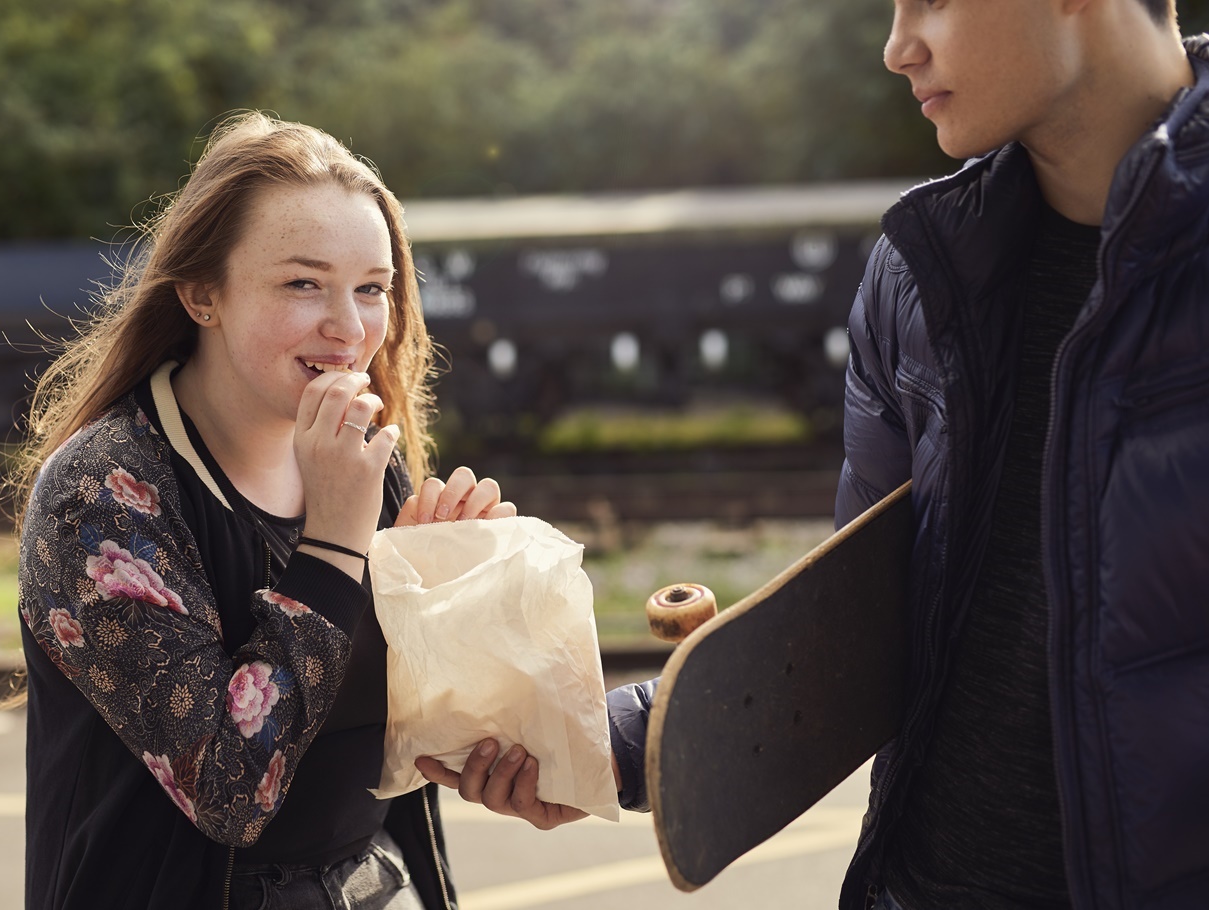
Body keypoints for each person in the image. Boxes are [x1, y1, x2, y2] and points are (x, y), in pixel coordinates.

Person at [424, 3, 1209, 909]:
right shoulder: (918, 274)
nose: (895, 47)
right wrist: (625, 742)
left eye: (932, 1)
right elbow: (866, 625)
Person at [8, 112, 517, 910]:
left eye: (371, 289)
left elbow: (388, 735)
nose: (349, 330)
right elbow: (229, 788)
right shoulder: (101, 493)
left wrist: (445, 610)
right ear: (202, 293)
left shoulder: (358, 457)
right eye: (301, 283)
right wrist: (338, 549)